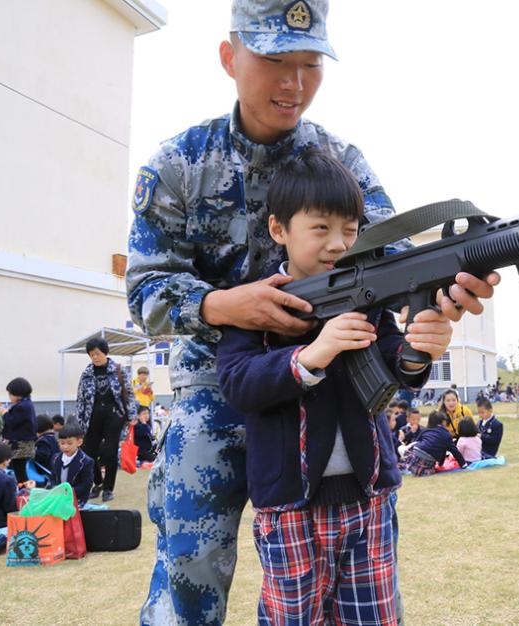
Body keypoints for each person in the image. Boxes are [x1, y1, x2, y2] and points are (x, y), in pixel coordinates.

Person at [125, 1, 498, 622]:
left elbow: (396, 260)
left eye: (309, 63)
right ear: (229, 57)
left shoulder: (340, 162)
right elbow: (144, 294)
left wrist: (447, 289)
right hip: (219, 381)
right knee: (189, 564)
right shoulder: (178, 166)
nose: (295, 82)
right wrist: (225, 304)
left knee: (357, 579)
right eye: (275, 60)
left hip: (328, 391)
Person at [217, 151, 451, 623]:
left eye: (350, 230)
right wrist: (307, 357)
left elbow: (394, 369)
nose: (338, 244)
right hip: (289, 509)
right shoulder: (255, 304)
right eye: (320, 229)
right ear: (280, 230)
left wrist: (422, 347)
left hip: (370, 500)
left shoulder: (369, 297)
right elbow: (238, 383)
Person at [75, 337, 135, 502]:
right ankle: (98, 483)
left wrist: (132, 415)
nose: (95, 357)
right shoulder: (86, 373)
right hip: (92, 416)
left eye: (97, 353)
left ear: (105, 353)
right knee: (89, 452)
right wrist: (79, 422)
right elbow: (80, 399)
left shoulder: (118, 370)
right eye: (91, 354)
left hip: (114, 416)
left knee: (110, 453)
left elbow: (129, 394)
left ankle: (108, 488)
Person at [399, 412, 466, 477]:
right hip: (428, 459)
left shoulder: (426, 430)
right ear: (443, 422)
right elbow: (454, 451)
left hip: (415, 453)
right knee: (429, 469)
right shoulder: (446, 434)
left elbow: (417, 441)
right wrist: (463, 464)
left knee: (409, 447)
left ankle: (404, 466)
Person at [1, 377, 37, 484]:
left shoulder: (22, 406)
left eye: (10, 394)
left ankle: (24, 491)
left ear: (18, 393)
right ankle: (23, 489)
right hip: (23, 444)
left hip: (20, 445)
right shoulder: (26, 404)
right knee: (19, 469)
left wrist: (5, 414)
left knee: (19, 471)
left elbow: (12, 422)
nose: (9, 397)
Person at [50, 424, 94, 506]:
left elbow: (86, 485)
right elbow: (52, 477)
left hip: (78, 501)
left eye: (69, 443)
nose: (65, 447)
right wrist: (54, 488)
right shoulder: (56, 458)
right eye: (62, 443)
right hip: (58, 499)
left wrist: (69, 492)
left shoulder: (86, 462)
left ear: (79, 442)